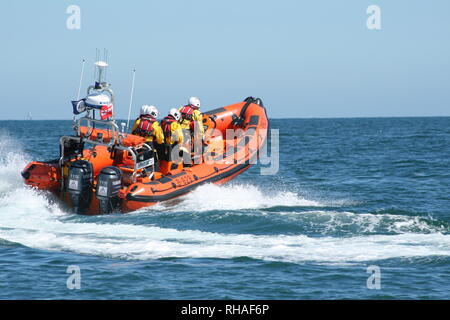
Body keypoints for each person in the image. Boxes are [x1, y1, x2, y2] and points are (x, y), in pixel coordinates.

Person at [131, 105, 164, 172]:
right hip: (148, 145)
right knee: (153, 162)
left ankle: (138, 173)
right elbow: (160, 139)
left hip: (138, 145)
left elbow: (133, 132)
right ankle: (154, 174)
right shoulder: (155, 124)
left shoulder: (139, 121)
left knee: (139, 161)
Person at [159, 108, 185, 174]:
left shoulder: (162, 122)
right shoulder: (176, 124)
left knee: (163, 160)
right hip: (172, 146)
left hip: (163, 145)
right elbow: (180, 137)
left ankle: (162, 171)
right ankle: (174, 171)